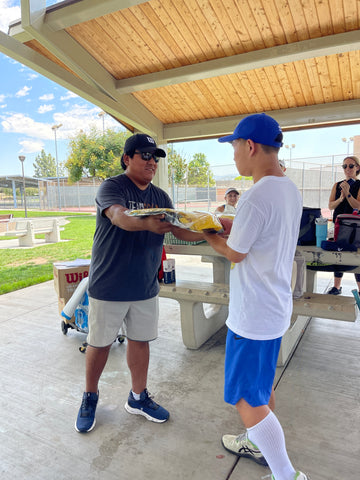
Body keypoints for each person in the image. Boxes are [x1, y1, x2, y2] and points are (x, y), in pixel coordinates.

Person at [203, 113, 309, 480]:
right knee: (262, 389)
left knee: (247, 399)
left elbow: (235, 253)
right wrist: (234, 226)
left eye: (234, 147)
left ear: (249, 146)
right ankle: (257, 444)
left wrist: (207, 232)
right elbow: (264, 234)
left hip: (252, 314)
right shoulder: (288, 189)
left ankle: (286, 475)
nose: (233, 156)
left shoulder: (255, 196)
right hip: (275, 307)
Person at [75, 133, 202, 433]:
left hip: (145, 285)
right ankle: (90, 396)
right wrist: (146, 222)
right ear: (127, 158)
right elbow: (119, 217)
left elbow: (178, 230)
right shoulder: (112, 187)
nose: (151, 162)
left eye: (155, 157)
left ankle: (137, 397)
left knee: (140, 341)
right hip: (109, 284)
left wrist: (211, 232)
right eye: (144, 155)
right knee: (100, 343)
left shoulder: (161, 197)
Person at [327, 155, 360, 296]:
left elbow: (358, 206)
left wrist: (347, 194)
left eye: (351, 166)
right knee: (338, 254)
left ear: (357, 167)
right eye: (345, 166)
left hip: (354, 227)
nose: (347, 169)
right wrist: (340, 198)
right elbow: (330, 205)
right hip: (338, 225)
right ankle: (337, 286)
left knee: (355, 256)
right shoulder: (337, 184)